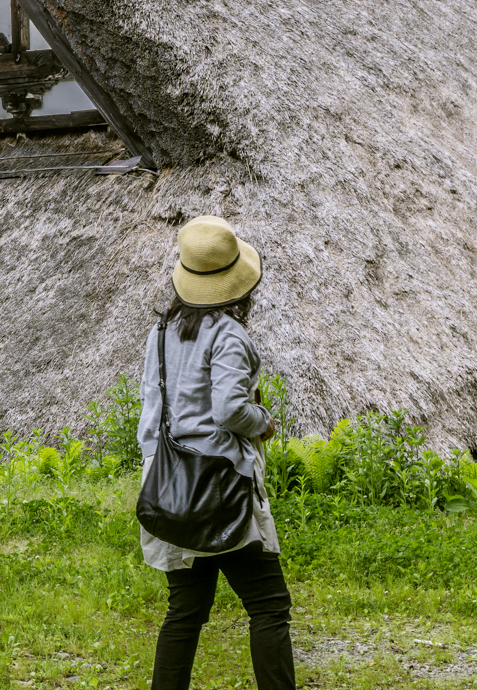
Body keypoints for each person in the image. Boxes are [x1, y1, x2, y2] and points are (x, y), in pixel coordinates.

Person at [138, 215, 294, 690]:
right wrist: (263, 422)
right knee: (269, 604)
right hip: (221, 486)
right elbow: (229, 409)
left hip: (170, 484)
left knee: (185, 611)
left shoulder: (160, 334)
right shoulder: (229, 335)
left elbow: (152, 414)